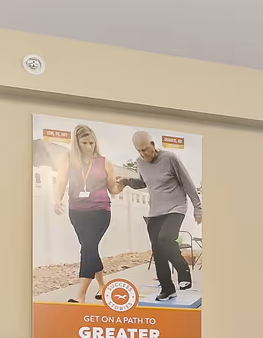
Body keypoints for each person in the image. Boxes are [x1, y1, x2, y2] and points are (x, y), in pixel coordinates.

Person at [120, 130, 203, 301]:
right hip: (155, 212)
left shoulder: (170, 158)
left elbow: (187, 182)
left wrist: (198, 208)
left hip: (176, 208)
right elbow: (144, 182)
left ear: (152, 145)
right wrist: (126, 181)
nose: (142, 154)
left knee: (165, 239)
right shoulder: (140, 162)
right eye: (139, 151)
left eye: (145, 149)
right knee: (158, 251)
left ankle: (182, 269)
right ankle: (167, 289)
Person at [51, 125, 122, 303]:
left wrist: (124, 184)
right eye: (84, 143)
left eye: (92, 143)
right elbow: (61, 181)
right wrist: (57, 200)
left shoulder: (104, 162)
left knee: (87, 248)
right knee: (90, 248)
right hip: (77, 211)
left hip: (100, 211)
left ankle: (80, 297)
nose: (89, 146)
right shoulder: (68, 159)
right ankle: (102, 286)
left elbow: (113, 189)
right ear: (77, 143)